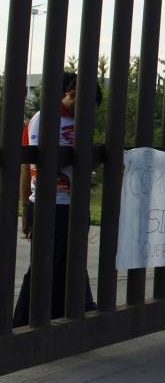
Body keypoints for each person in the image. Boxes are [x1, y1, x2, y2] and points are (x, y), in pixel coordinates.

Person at [14, 72, 100, 327]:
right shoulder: (44, 120)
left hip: (73, 204)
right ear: (71, 94)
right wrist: (26, 208)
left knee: (70, 262)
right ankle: (23, 322)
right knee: (44, 265)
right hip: (51, 205)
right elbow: (33, 166)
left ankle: (70, 313)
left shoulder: (78, 121)